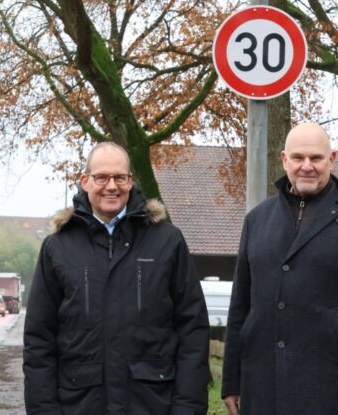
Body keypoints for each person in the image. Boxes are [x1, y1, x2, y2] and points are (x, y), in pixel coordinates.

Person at [222, 123, 338, 415]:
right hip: (263, 387)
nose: (307, 166)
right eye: (298, 158)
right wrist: (232, 381)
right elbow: (240, 307)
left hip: (335, 389)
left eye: (316, 158)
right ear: (284, 160)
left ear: (332, 159)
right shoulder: (257, 220)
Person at [23, 142, 210, 414]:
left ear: (130, 181)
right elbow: (39, 340)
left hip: (152, 405)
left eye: (120, 177)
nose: (112, 186)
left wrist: (187, 409)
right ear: (85, 181)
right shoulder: (58, 247)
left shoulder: (167, 241)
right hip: (79, 406)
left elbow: (192, 331)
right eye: (101, 177)